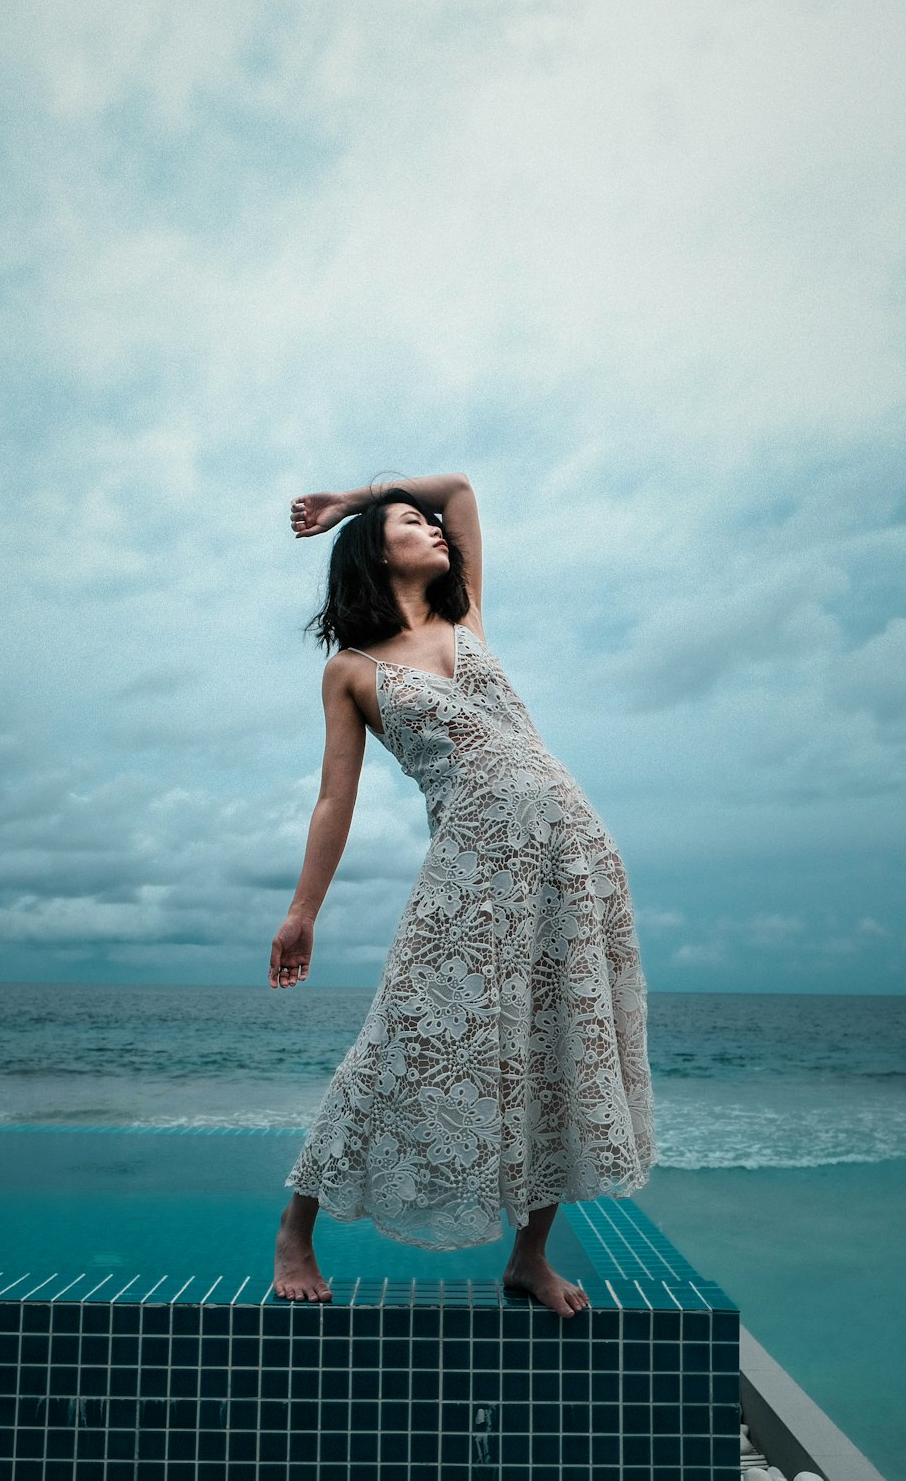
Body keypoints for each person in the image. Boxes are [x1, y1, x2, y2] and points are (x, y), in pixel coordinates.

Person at [268, 472, 657, 1317]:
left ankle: (530, 1258)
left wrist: (349, 498)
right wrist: (303, 911)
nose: (435, 528)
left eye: (427, 521)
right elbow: (337, 798)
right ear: (376, 552)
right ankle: (297, 1229)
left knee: (559, 1050)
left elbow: (462, 488)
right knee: (399, 1036)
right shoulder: (351, 670)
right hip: (472, 875)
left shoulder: (465, 614)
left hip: (574, 856)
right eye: (411, 524)